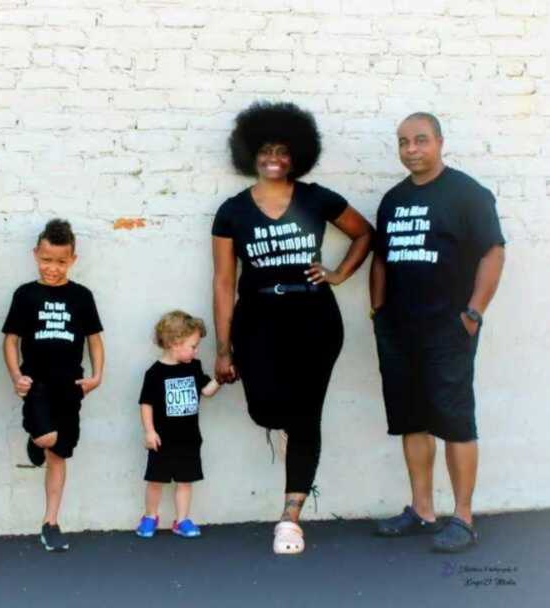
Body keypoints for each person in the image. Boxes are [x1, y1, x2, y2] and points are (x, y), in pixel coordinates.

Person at [211, 101, 373, 554]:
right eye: (265, 149)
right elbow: (224, 282)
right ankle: (290, 436)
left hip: (314, 319)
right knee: (265, 410)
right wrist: (223, 349)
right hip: (257, 321)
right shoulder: (232, 212)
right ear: (250, 154)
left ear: (297, 154)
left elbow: (365, 233)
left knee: (306, 416)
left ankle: (290, 517)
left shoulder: (316, 198)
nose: (274, 158)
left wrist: (338, 274)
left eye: (283, 150)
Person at [371, 112, 505, 553]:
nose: (411, 149)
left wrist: (473, 312)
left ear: (440, 142)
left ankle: (463, 518)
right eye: (404, 142)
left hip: (449, 328)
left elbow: (492, 252)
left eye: (420, 141)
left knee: (455, 422)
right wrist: (378, 311)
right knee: (412, 420)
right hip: (399, 328)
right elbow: (382, 259)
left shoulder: (467, 194)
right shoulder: (392, 200)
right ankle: (422, 510)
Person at [2, 219, 105, 552]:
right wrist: (17, 375)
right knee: (47, 438)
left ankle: (50, 523)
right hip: (38, 384)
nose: (53, 268)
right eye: (47, 260)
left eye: (61, 261)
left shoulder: (81, 296)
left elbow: (95, 341)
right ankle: (37, 438)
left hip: (70, 386)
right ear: (36, 255)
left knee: (59, 454)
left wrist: (97, 376)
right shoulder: (26, 295)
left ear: (73, 260)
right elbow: (10, 340)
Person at [134, 311, 220, 539]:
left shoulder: (193, 367)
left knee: (185, 481)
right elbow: (146, 404)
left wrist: (221, 378)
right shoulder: (155, 373)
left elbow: (207, 390)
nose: (196, 350)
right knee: (155, 480)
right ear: (174, 343)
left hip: (189, 439)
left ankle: (182, 520)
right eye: (193, 346)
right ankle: (150, 516)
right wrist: (150, 431)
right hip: (162, 440)